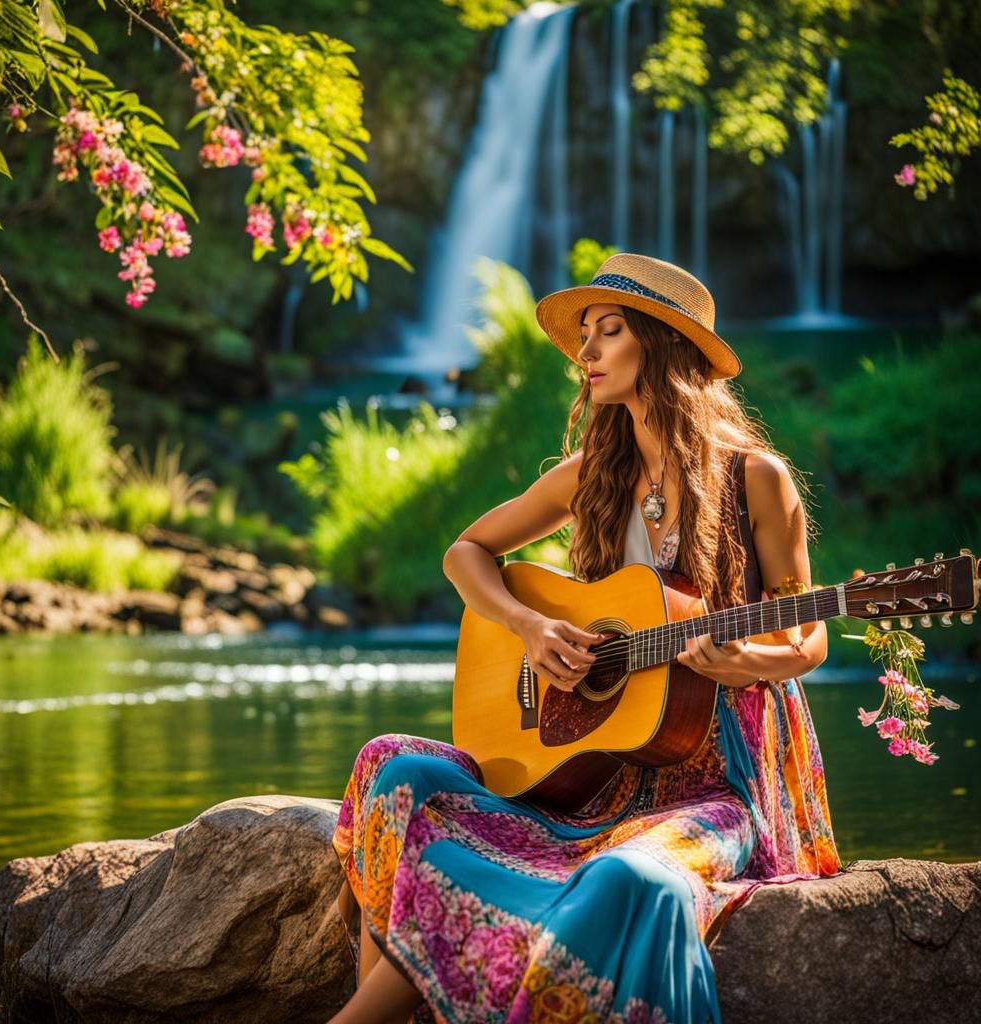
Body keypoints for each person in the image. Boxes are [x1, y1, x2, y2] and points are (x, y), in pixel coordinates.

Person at [328, 253, 840, 1024]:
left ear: (663, 348)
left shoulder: (756, 479)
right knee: (392, 769)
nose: (586, 354)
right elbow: (465, 552)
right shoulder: (591, 475)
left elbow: (809, 639)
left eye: (610, 332)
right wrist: (530, 625)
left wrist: (746, 663)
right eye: (585, 337)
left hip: (715, 776)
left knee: (629, 880)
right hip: (593, 766)